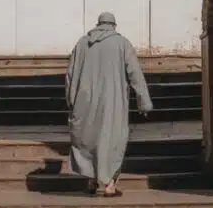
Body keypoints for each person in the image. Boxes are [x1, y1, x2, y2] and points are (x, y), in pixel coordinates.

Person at [65, 11, 153, 197]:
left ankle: (91, 180)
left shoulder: (82, 44)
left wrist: (71, 100)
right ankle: (110, 185)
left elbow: (70, 75)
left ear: (98, 24)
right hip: (113, 103)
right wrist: (144, 102)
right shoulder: (122, 44)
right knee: (112, 141)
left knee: (88, 140)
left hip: (85, 101)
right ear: (113, 25)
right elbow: (135, 74)